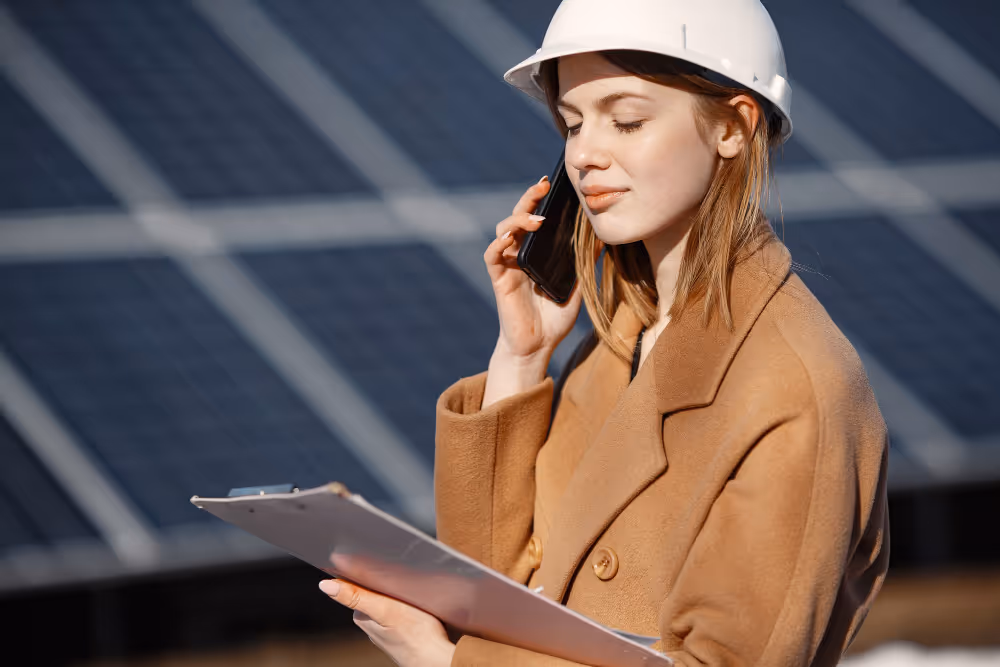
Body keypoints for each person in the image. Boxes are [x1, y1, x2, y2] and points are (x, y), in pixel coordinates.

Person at [320, 1, 890, 665]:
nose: (585, 154)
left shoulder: (797, 389)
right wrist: (523, 356)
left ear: (734, 126)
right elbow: (493, 596)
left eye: (626, 119)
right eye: (571, 122)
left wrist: (449, 663)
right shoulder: (617, 345)